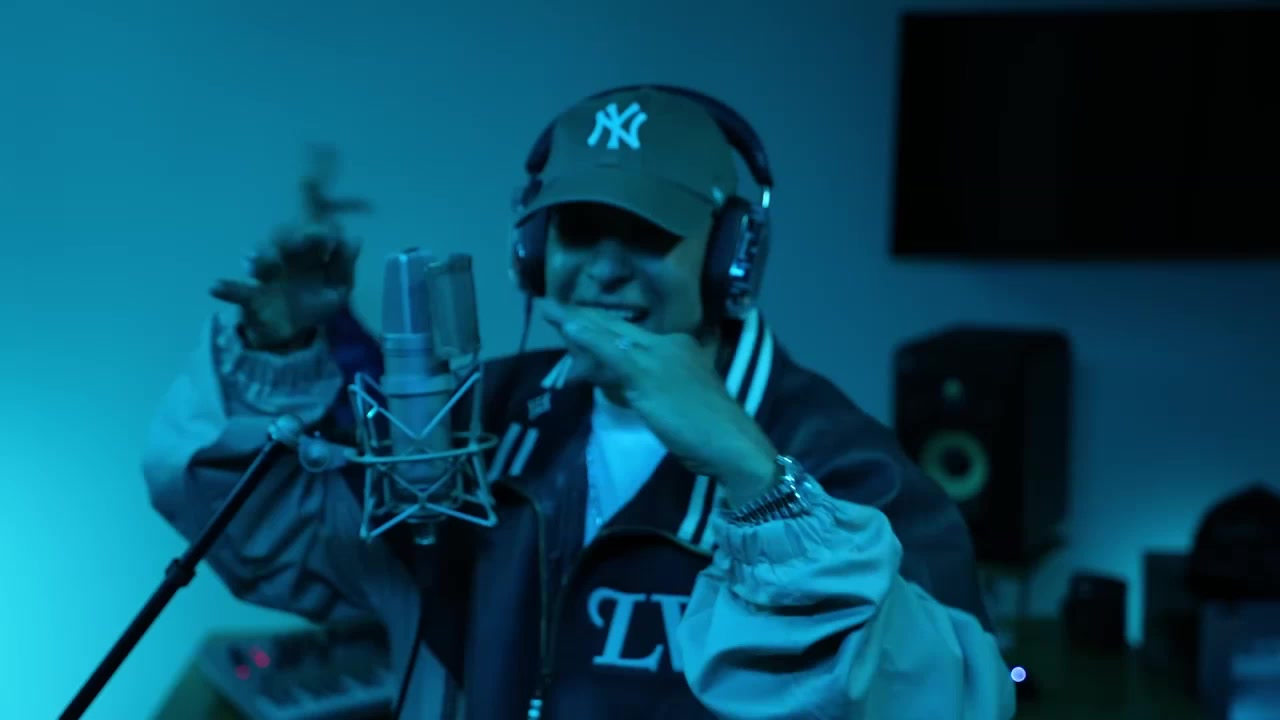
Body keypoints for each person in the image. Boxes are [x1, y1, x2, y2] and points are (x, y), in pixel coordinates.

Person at [144, 85, 1016, 719]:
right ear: (533, 251)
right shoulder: (475, 423)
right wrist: (277, 353)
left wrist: (752, 477)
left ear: (730, 261)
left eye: (647, 235)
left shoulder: (843, 465)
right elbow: (281, 539)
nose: (603, 268)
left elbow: (947, 700)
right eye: (578, 231)